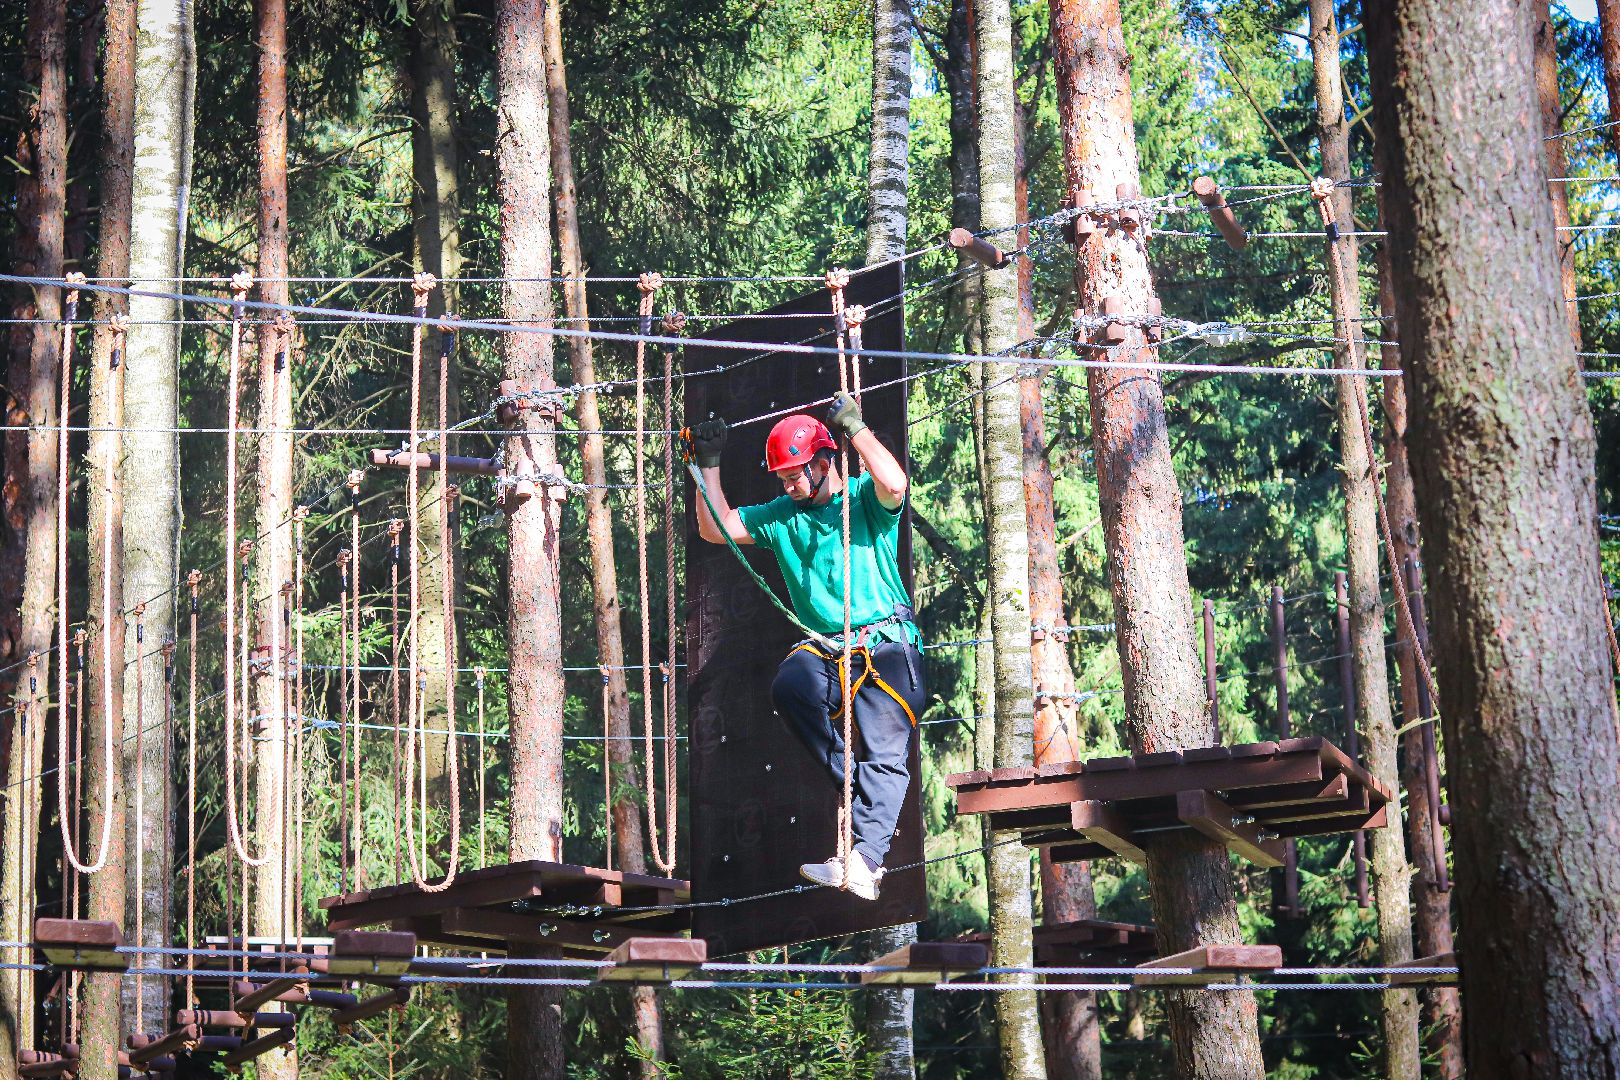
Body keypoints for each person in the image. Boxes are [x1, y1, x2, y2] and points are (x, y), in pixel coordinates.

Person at [691, 392, 925, 901]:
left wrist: (855, 428)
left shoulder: (863, 500)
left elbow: (895, 483)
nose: (789, 485)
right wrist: (709, 465)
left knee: (886, 750)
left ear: (824, 463)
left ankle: (864, 862)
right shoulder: (781, 515)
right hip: (828, 649)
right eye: (783, 478)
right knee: (791, 684)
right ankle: (855, 780)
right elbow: (715, 529)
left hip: (886, 644)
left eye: (796, 474)